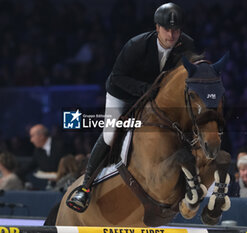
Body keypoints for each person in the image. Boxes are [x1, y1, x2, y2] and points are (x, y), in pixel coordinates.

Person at [67, 2, 197, 212]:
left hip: (157, 100)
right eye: (167, 29)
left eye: (176, 30)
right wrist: (146, 89)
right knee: (110, 134)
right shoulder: (137, 45)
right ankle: (85, 188)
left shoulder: (187, 46)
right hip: (123, 93)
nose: (171, 35)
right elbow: (118, 78)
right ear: (157, 28)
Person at [18, 124, 67, 189]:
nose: (31, 140)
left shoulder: (61, 146)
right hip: (49, 186)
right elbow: (29, 166)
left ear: (41, 136)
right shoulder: (37, 151)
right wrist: (15, 174)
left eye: (32, 136)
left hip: (64, 184)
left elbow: (69, 166)